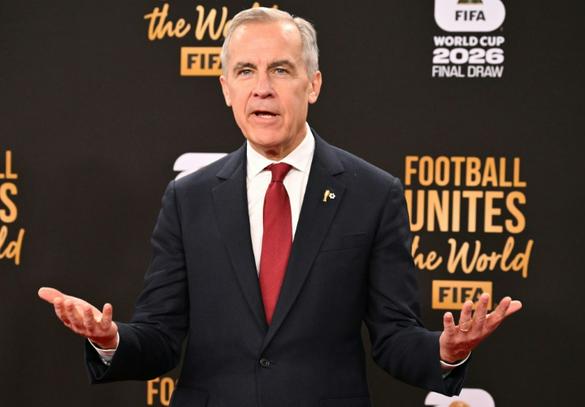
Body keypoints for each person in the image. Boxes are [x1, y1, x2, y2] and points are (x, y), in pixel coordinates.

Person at [38, 7, 521, 407]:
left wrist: (445, 351)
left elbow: (393, 337)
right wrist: (110, 340)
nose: (262, 87)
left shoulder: (373, 194)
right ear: (226, 89)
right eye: (245, 71)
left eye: (281, 70)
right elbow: (161, 338)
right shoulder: (188, 198)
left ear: (313, 84)